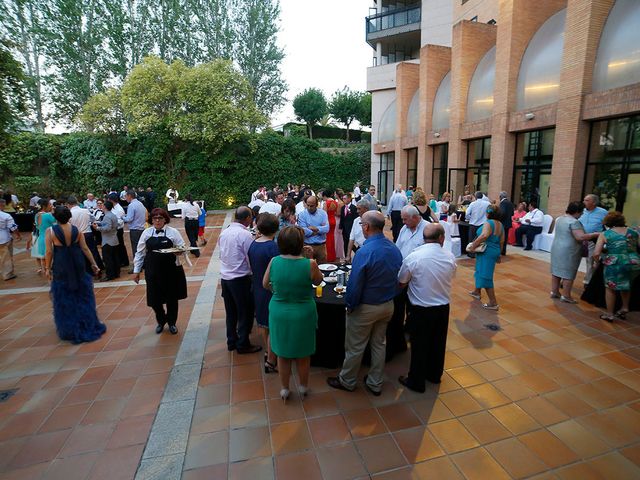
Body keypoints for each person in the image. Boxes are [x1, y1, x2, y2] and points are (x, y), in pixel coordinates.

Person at [327, 211, 403, 396]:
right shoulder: (394, 248)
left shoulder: (364, 252)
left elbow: (354, 285)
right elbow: (399, 277)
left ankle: (347, 380)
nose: (361, 227)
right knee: (379, 344)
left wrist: (350, 305)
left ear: (366, 227)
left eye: (362, 224)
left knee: (355, 347)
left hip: (367, 307)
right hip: (387, 305)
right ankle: (375, 382)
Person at [263, 226, 323, 402]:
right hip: (303, 311)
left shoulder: (274, 261)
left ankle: (284, 389)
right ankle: (303, 386)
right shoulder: (309, 264)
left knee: (282, 353)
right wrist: (311, 258)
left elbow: (265, 283)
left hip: (279, 310)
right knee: (303, 354)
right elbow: (319, 281)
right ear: (300, 243)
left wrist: (278, 291)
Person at [398, 223, 456, 391]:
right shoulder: (449, 256)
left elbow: (402, 281)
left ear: (424, 238)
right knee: (438, 342)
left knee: (419, 345)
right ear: (441, 238)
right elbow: (451, 275)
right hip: (443, 307)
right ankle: (434, 375)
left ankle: (416, 381)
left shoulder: (414, 257)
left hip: (420, 308)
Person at [44, 206, 105, 343]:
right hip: (77, 263)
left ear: (55, 217)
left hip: (61, 265)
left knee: (64, 295)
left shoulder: (51, 231)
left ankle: (70, 328)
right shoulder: (77, 230)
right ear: (69, 216)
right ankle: (85, 322)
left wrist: (47, 267)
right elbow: (85, 248)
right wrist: (94, 264)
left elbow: (49, 252)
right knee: (81, 293)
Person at [132, 208, 187, 334]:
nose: (157, 220)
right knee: (154, 300)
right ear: (151, 220)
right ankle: (161, 320)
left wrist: (180, 250)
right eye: (155, 218)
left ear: (165, 219)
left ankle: (172, 322)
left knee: (172, 298)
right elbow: (140, 253)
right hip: (152, 271)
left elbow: (182, 246)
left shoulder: (173, 232)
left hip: (171, 270)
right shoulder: (146, 233)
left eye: (160, 218)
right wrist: (136, 271)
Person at [218, 207, 261, 353]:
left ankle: (232, 341)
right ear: (248, 218)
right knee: (245, 312)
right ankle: (242, 344)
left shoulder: (224, 232)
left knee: (231, 312)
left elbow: (222, 254)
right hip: (240, 279)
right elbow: (250, 256)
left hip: (226, 278)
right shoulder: (245, 235)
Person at [389, 205, 429, 357]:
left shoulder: (427, 229)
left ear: (415, 217)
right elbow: (398, 247)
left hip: (418, 278)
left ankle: (412, 331)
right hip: (402, 274)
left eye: (405, 219)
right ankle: (399, 335)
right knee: (398, 304)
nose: (403, 222)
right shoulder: (405, 229)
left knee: (414, 307)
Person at [248, 214, 281, 374]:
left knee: (263, 324)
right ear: (275, 229)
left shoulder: (253, 245)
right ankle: (271, 360)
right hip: (270, 290)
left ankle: (269, 353)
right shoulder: (273, 248)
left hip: (257, 288)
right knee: (273, 326)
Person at [593, 212, 640, 322]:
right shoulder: (634, 232)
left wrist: (597, 262)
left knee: (610, 288)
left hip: (615, 262)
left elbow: (596, 253)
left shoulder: (605, 234)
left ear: (608, 222)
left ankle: (609, 314)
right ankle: (624, 308)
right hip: (634, 262)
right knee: (626, 284)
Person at [550, 202, 598, 303]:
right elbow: (579, 237)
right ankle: (566, 295)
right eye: (582, 212)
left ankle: (554, 291)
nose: (582, 214)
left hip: (557, 247)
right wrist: (595, 234)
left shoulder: (560, 219)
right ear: (577, 211)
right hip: (569, 250)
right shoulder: (574, 222)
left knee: (556, 271)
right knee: (568, 272)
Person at [468, 203, 504, 310]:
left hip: (486, 251)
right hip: (493, 251)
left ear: (488, 213)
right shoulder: (500, 224)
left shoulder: (488, 223)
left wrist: (473, 246)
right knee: (480, 270)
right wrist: (499, 254)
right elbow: (502, 241)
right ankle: (477, 291)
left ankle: (493, 302)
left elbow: (484, 235)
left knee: (485, 275)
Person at [68, 196, 104, 275]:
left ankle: (87, 270)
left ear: (69, 204)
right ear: (77, 202)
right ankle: (98, 268)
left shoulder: (70, 213)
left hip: (77, 234)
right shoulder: (85, 211)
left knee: (81, 253)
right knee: (92, 251)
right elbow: (93, 219)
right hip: (88, 233)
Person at [580, 194, 608, 285]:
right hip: (579, 238)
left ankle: (587, 282)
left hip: (593, 240)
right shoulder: (580, 210)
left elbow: (608, 226)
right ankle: (565, 280)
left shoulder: (603, 212)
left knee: (590, 261)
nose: (584, 202)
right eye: (584, 200)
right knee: (573, 259)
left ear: (594, 203)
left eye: (587, 200)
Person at [297, 195, 329, 264]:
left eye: (311, 206)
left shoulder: (323, 214)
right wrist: (319, 230)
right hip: (307, 246)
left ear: (316, 205)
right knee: (307, 270)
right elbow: (303, 231)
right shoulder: (302, 214)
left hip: (321, 246)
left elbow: (327, 229)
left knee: (322, 268)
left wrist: (316, 228)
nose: (309, 208)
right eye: (308, 205)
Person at [94, 200, 120, 281]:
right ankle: (116, 273)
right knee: (114, 258)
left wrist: (97, 228)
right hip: (114, 239)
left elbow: (107, 228)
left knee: (108, 259)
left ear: (105, 207)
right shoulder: (113, 215)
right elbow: (114, 225)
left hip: (107, 241)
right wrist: (100, 223)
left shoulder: (107, 216)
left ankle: (110, 275)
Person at [123, 190, 147, 268]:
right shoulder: (140, 204)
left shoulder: (131, 205)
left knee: (136, 249)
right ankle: (143, 264)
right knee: (141, 248)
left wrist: (122, 217)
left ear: (130, 196)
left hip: (135, 229)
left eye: (126, 196)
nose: (125, 198)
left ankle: (137, 266)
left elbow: (129, 219)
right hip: (141, 228)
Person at [465, 192, 491, 256]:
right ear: (482, 196)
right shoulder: (487, 203)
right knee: (481, 239)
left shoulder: (472, 204)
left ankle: (471, 253)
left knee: (472, 239)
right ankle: (480, 252)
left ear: (476, 197)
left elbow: (467, 213)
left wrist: (469, 219)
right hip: (483, 224)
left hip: (473, 224)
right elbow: (490, 212)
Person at [0, 198, 20, 280]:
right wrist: (18, 235)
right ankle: (7, 274)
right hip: (3, 238)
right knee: (6, 257)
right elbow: (12, 227)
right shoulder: (5, 215)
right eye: (4, 205)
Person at [108, 193, 129, 267]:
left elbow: (120, 221)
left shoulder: (118, 209)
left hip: (118, 229)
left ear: (111, 200)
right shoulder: (114, 208)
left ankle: (124, 261)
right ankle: (122, 260)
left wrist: (113, 223)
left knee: (120, 245)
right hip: (116, 229)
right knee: (119, 245)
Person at [181, 194, 201, 258]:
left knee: (191, 236)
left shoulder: (184, 205)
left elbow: (183, 216)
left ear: (186, 199)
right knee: (194, 236)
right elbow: (200, 213)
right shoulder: (196, 204)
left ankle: (196, 251)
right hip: (195, 221)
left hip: (189, 222)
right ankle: (192, 249)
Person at [322, 189, 338, 261]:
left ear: (325, 196)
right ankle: (332, 256)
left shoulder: (326, 203)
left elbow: (324, 214)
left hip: (328, 221)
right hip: (333, 220)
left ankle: (328, 256)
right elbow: (336, 212)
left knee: (327, 239)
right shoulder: (335, 202)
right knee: (332, 238)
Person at [498, 191, 515, 255]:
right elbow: (512, 213)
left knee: (501, 238)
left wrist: (498, 218)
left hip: (503, 223)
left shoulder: (503, 203)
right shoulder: (510, 203)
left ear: (500, 197)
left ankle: (500, 250)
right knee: (505, 238)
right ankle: (503, 251)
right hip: (508, 223)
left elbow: (503, 213)